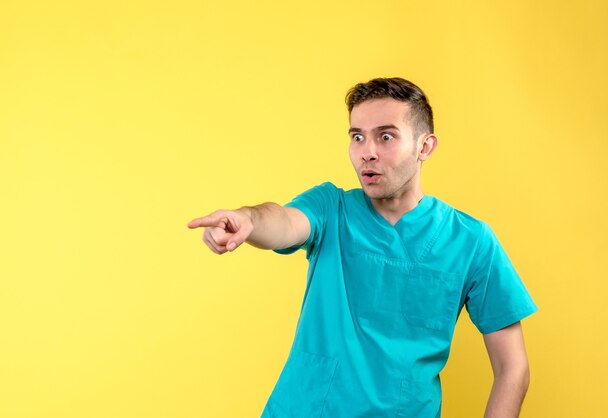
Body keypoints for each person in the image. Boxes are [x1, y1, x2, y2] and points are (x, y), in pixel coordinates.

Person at [187, 77, 538, 418]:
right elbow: (282, 222)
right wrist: (248, 220)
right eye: (358, 137)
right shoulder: (330, 209)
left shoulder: (470, 241)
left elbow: (512, 367)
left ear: (425, 146)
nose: (367, 153)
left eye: (386, 136)